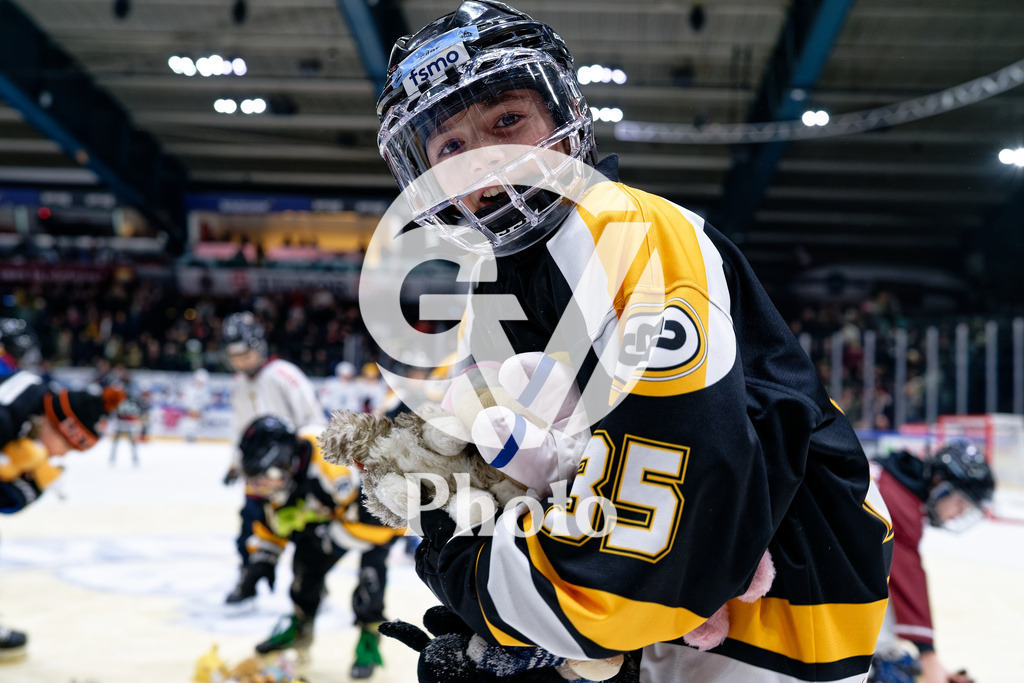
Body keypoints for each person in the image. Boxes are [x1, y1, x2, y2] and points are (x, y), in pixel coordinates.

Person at [372, 2, 894, 681]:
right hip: (679, 613)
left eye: (507, 120)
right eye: (451, 147)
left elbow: (648, 541)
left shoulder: (625, 233)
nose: (487, 162)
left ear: (563, 118)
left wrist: (483, 582)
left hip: (785, 619)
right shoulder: (503, 277)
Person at [235, 415, 404, 679]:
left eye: (266, 478)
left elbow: (386, 520)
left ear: (284, 463)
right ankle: (301, 626)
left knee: (371, 578)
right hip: (335, 515)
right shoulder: (281, 472)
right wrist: (264, 557)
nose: (261, 487)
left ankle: (369, 636)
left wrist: (328, 534)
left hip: (378, 516)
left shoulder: (334, 468)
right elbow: (276, 517)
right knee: (306, 562)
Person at [0, 376, 125, 659]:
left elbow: (10, 502)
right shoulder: (9, 415)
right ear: (54, 424)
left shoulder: (32, 416)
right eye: (66, 446)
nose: (60, 455)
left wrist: (24, 485)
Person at [220, 312, 326, 607]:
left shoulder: (284, 375)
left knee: (304, 531)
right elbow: (240, 427)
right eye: (233, 355)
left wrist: (310, 460)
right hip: (257, 473)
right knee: (250, 527)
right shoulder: (239, 384)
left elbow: (312, 419)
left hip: (292, 470)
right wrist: (235, 462)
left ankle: (315, 583)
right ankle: (248, 577)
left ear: (259, 346)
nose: (240, 361)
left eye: (244, 352)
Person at [869, 443, 994, 683]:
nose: (959, 513)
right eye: (960, 503)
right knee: (882, 583)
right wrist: (928, 656)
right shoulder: (900, 503)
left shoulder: (894, 479)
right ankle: (871, 662)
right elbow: (907, 574)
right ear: (939, 485)